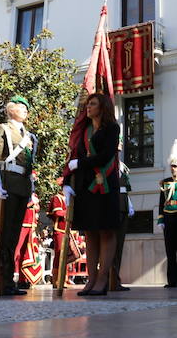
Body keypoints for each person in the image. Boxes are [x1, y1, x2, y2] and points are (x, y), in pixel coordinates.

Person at [65, 92, 121, 296]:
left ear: (102, 107)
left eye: (93, 104)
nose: (88, 107)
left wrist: (81, 163)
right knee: (89, 231)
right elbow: (75, 154)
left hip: (106, 184)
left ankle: (103, 278)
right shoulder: (85, 130)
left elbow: (106, 154)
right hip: (86, 186)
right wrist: (67, 180)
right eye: (88, 104)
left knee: (106, 230)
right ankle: (91, 278)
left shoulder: (112, 128)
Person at [0, 95, 36, 296]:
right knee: (3, 234)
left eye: (26, 107)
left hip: (22, 185)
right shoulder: (3, 129)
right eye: (21, 107)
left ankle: (9, 280)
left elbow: (30, 164)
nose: (25, 110)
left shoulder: (31, 136)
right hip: (7, 182)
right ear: (11, 109)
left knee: (14, 235)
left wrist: (31, 189)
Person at [158, 139, 177, 288]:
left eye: (175, 166)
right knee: (170, 251)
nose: (172, 169)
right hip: (168, 217)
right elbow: (161, 201)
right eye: (171, 166)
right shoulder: (165, 182)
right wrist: (160, 220)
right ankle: (171, 280)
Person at [111, 141, 135, 291]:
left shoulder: (123, 167)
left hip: (123, 206)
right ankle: (108, 279)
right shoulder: (108, 165)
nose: (118, 150)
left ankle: (115, 279)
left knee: (119, 245)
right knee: (110, 246)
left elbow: (125, 189)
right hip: (112, 206)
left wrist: (129, 204)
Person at [47, 178, 70, 289]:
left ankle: (64, 278)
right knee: (59, 255)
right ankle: (56, 279)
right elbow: (57, 212)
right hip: (59, 229)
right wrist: (68, 212)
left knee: (68, 255)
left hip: (69, 230)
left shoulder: (70, 198)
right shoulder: (57, 197)